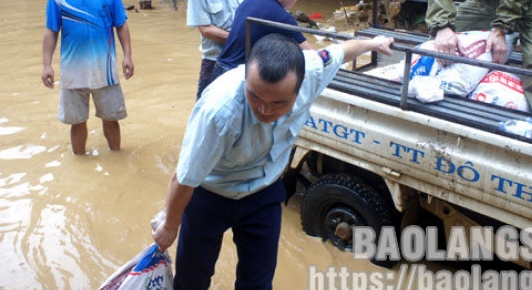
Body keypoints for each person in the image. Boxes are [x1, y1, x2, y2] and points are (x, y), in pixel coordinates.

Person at [152, 32, 394, 289]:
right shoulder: (218, 111)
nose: (265, 110)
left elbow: (342, 50)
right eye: (255, 96)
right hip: (209, 195)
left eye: (278, 103)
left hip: (262, 192)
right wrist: (170, 224)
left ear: (300, 85)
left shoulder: (313, 70)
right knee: (191, 280)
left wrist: (373, 44)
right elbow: (185, 177)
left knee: (258, 283)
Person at [41, 0, 134, 155]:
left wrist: (127, 56)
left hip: (106, 69)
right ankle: (80, 162)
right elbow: (51, 31)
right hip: (73, 71)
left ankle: (117, 159)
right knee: (77, 122)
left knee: (111, 119)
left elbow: (121, 25)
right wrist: (46, 65)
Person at [211, 0, 314, 82]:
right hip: (236, 77)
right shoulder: (282, 17)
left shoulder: (248, 2)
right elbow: (311, 55)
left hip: (219, 70)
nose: (296, 0)